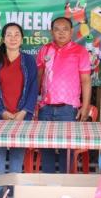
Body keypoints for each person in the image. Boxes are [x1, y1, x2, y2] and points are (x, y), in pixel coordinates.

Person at [0, 22, 38, 196]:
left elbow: (33, 88)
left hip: (21, 117)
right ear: (3, 39)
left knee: (17, 155)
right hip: (0, 116)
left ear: (22, 39)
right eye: (9, 34)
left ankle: (15, 194)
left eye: (17, 34)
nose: (13, 38)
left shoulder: (29, 60)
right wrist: (2, 112)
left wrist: (24, 112)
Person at [36, 16, 92, 173]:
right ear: (51, 32)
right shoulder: (45, 50)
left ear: (72, 32)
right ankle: (48, 188)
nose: (61, 33)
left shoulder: (80, 52)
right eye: (57, 29)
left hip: (68, 110)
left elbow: (86, 81)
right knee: (45, 150)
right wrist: (35, 102)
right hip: (45, 108)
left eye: (65, 29)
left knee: (67, 153)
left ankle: (65, 191)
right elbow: (39, 77)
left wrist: (85, 107)